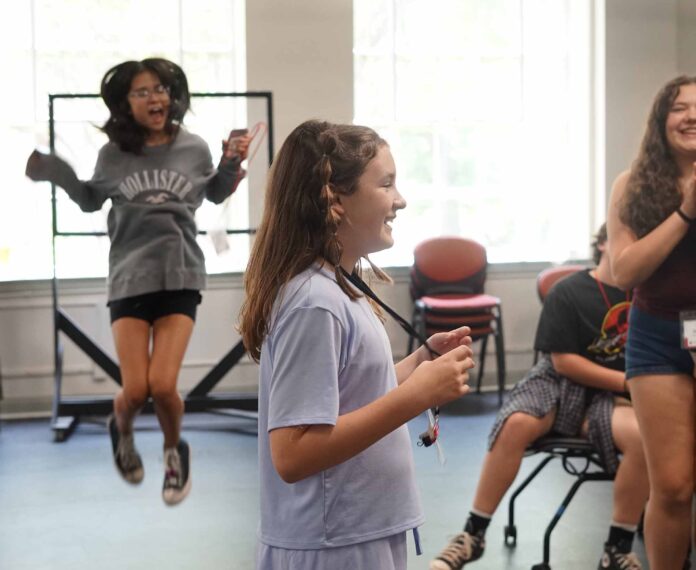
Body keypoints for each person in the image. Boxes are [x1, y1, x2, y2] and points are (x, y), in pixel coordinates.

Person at [238, 119, 475, 570]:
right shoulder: (315, 302)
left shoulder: (337, 286)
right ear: (336, 200)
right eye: (386, 184)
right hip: (332, 544)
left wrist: (420, 363)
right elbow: (293, 452)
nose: (400, 200)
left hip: (356, 531)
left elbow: (347, 393)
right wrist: (417, 395)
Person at [25, 58, 251, 506]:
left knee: (163, 386)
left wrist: (230, 162)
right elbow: (90, 201)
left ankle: (174, 452)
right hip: (129, 279)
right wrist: (57, 172)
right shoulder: (113, 155)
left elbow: (214, 192)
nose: (156, 98)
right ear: (125, 104)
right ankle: (121, 428)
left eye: (161, 89)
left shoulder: (194, 147)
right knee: (135, 390)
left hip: (181, 275)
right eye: (143, 92)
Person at [430, 224, 649, 570]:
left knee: (643, 439)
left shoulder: (650, 294)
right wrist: (628, 382)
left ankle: (617, 548)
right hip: (560, 383)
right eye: (633, 237)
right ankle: (473, 534)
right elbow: (563, 362)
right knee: (515, 423)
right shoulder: (570, 291)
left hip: (612, 396)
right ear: (604, 244)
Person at [607, 75, 696, 570]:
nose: (691, 117)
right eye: (679, 107)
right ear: (661, 120)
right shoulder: (632, 185)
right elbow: (625, 271)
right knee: (674, 486)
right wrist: (687, 210)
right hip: (656, 337)